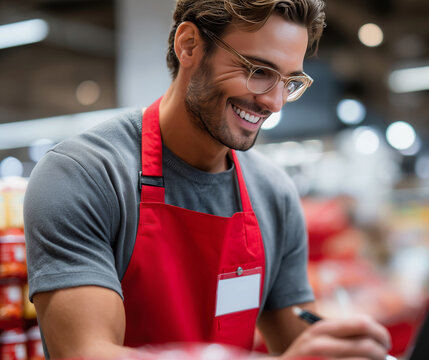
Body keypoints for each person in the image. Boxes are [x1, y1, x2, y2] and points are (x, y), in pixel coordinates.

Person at [24, 0, 391, 359]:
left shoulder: (273, 195)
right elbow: (86, 353)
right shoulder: (84, 175)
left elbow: (300, 340)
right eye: (259, 71)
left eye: (289, 81)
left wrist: (345, 347)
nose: (275, 103)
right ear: (189, 46)